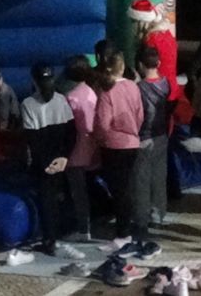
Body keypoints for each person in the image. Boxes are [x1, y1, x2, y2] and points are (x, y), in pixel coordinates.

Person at [20, 63, 82, 259]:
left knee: (47, 200)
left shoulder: (28, 104)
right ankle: (68, 231)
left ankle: (50, 240)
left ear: (34, 81)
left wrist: (46, 163)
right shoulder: (61, 100)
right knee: (63, 196)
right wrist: (64, 157)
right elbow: (71, 133)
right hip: (60, 158)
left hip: (44, 162)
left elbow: (33, 140)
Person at [93, 51, 145, 253]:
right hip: (132, 143)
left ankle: (123, 234)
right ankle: (126, 230)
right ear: (122, 68)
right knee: (127, 188)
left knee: (119, 191)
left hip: (114, 145)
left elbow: (102, 123)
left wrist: (100, 139)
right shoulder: (132, 86)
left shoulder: (107, 92)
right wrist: (133, 131)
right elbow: (140, 114)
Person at [130, 47, 170, 250]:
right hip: (162, 136)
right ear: (158, 63)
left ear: (139, 65)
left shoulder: (139, 88)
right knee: (159, 177)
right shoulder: (166, 84)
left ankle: (141, 219)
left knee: (142, 181)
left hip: (144, 138)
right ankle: (159, 214)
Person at [59, 55, 99, 242]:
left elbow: (69, 127)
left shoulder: (71, 97)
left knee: (78, 191)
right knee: (88, 188)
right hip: (92, 144)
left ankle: (83, 229)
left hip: (77, 148)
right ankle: (90, 222)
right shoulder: (90, 92)